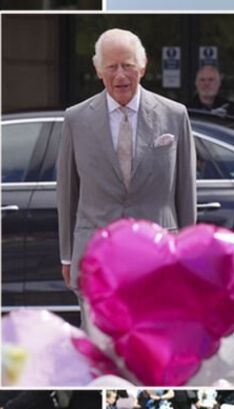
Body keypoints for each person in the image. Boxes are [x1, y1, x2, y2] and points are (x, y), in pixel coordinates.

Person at [57, 28, 196, 315]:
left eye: (128, 66)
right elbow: (68, 192)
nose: (120, 75)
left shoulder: (174, 115)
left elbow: (186, 188)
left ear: (142, 68)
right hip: (95, 255)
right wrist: (67, 254)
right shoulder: (76, 119)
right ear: (98, 71)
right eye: (111, 67)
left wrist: (187, 253)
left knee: (152, 346)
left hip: (158, 255)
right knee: (102, 347)